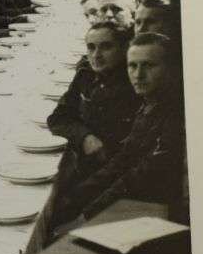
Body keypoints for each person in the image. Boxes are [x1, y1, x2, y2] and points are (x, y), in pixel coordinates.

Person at [48, 33, 186, 236]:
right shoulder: (149, 103)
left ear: (171, 69)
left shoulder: (174, 114)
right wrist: (75, 197)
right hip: (139, 204)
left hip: (161, 216)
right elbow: (123, 160)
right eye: (133, 66)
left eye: (148, 66)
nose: (138, 75)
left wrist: (85, 217)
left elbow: (139, 176)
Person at [48, 23, 141, 168]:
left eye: (106, 47)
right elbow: (58, 118)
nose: (96, 55)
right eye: (91, 47)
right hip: (89, 161)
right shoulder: (86, 76)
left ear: (124, 49)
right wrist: (85, 137)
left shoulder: (135, 83)